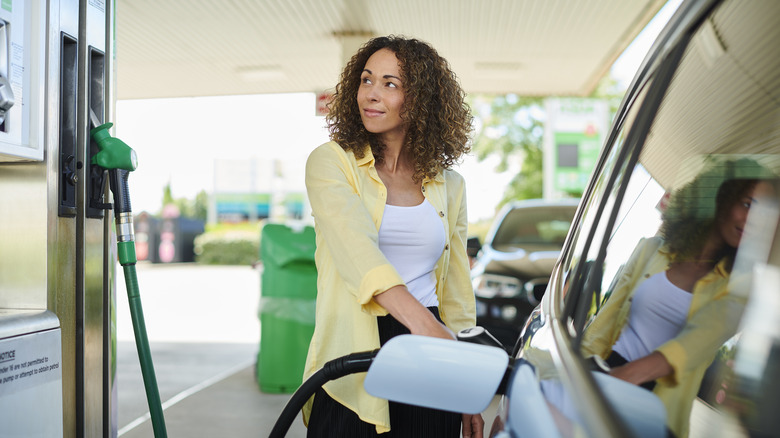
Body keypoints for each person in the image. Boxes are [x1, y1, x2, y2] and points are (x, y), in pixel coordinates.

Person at [301, 35, 483, 438]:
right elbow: (356, 250)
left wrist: (467, 381)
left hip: (429, 354)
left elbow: (456, 289)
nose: (372, 94)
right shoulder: (332, 163)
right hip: (354, 351)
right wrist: (425, 326)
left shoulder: (449, 185)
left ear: (420, 99)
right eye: (366, 80)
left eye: (390, 84)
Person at [580, 160, 774, 437]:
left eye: (765, 213)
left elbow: (696, 341)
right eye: (747, 204)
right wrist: (572, 374)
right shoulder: (650, 250)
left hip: (656, 408)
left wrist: (627, 377)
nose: (754, 221)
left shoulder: (742, 287)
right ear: (720, 197)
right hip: (605, 370)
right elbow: (603, 324)